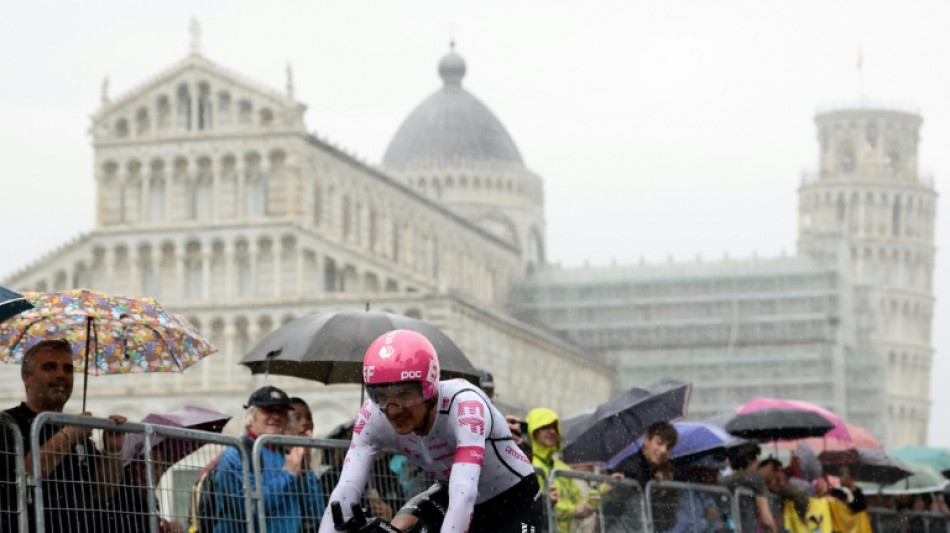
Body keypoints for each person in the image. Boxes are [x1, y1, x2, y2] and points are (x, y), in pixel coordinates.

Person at [318, 329, 541, 532]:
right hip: (447, 490)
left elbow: (464, 495)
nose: (394, 410)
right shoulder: (372, 415)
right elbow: (345, 491)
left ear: (430, 388)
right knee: (395, 529)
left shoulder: (465, 406)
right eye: (382, 395)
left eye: (405, 393)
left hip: (512, 497)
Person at [0, 339, 128, 533]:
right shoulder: (8, 424)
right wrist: (68, 436)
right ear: (27, 377)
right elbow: (23, 476)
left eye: (68, 369)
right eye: (50, 367)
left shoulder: (78, 433)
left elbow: (100, 493)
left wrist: (112, 451)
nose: (61, 375)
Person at [213, 385, 324, 533]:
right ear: (251, 417)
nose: (276, 416)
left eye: (281, 412)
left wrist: (304, 475)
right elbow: (247, 510)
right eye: (268, 410)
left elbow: (315, 514)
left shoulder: (288, 455)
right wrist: (288, 474)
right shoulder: (236, 454)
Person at [525, 407, 596, 533]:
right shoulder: (528, 465)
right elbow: (536, 505)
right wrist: (573, 510)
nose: (552, 431)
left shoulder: (561, 467)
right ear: (533, 431)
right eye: (545, 427)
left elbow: (579, 500)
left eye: (554, 427)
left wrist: (602, 491)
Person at [601, 421, 678, 532]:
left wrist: (660, 491)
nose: (663, 450)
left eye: (669, 447)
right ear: (646, 440)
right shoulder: (631, 468)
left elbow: (664, 522)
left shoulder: (652, 471)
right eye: (659, 442)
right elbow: (612, 509)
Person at [720, 442, 777, 533]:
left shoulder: (723, 481)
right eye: (757, 458)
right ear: (751, 461)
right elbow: (767, 519)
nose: (759, 462)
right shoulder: (755, 479)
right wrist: (774, 530)